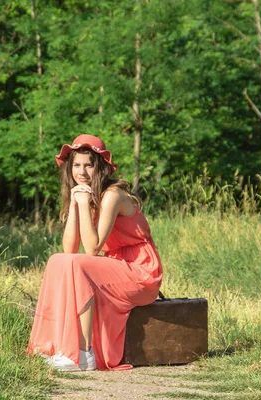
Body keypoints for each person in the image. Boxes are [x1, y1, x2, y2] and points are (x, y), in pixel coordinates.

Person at [26, 133, 163, 371]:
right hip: (116, 265)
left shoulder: (112, 196)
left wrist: (80, 203)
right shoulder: (87, 195)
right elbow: (68, 249)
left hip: (141, 271)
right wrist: (74, 201)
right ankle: (57, 346)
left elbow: (91, 248)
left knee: (77, 265)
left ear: (100, 168)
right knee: (58, 261)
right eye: (76, 166)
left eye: (89, 165)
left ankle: (82, 353)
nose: (82, 172)